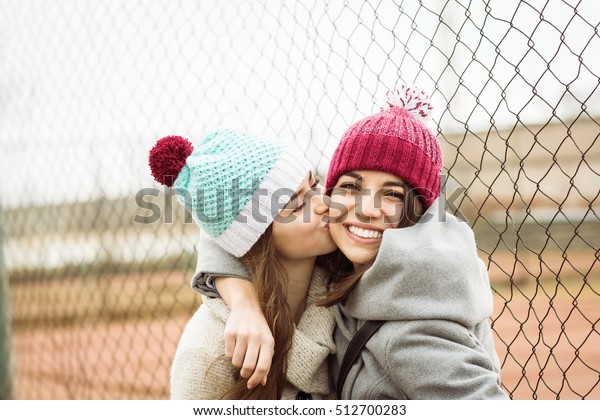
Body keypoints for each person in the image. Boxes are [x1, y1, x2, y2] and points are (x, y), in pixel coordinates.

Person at [192, 86, 509, 399]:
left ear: (419, 213)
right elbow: (233, 227)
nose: (366, 210)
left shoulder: (414, 330)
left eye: (392, 194)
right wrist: (244, 304)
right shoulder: (347, 264)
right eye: (351, 188)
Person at [148, 128, 337, 399]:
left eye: (314, 183)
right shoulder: (205, 357)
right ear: (255, 239)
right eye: (296, 206)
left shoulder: (346, 296)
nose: (324, 203)